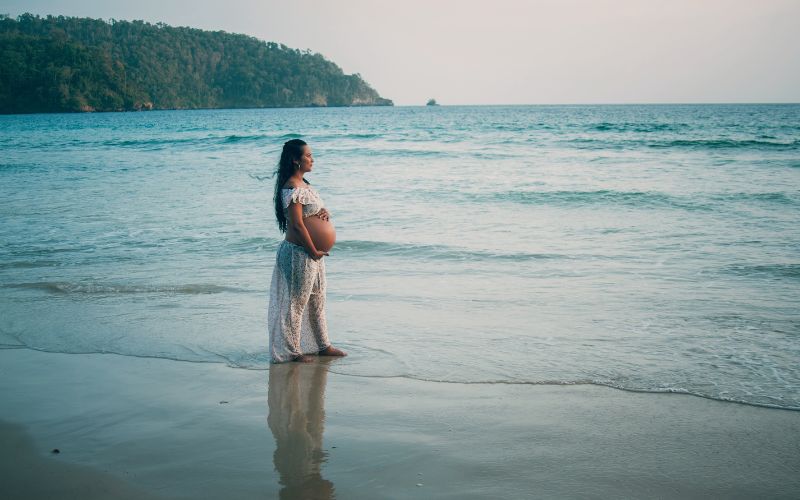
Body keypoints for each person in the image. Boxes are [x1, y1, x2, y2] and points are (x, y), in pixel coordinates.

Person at [268, 139, 347, 363]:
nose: (313, 159)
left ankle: (323, 345)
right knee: (297, 303)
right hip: (298, 254)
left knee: (317, 300)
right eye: (309, 156)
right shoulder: (291, 187)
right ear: (296, 160)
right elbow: (296, 225)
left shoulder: (305, 184)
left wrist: (324, 213)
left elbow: (311, 213)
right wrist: (312, 250)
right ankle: (293, 351)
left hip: (312, 254)